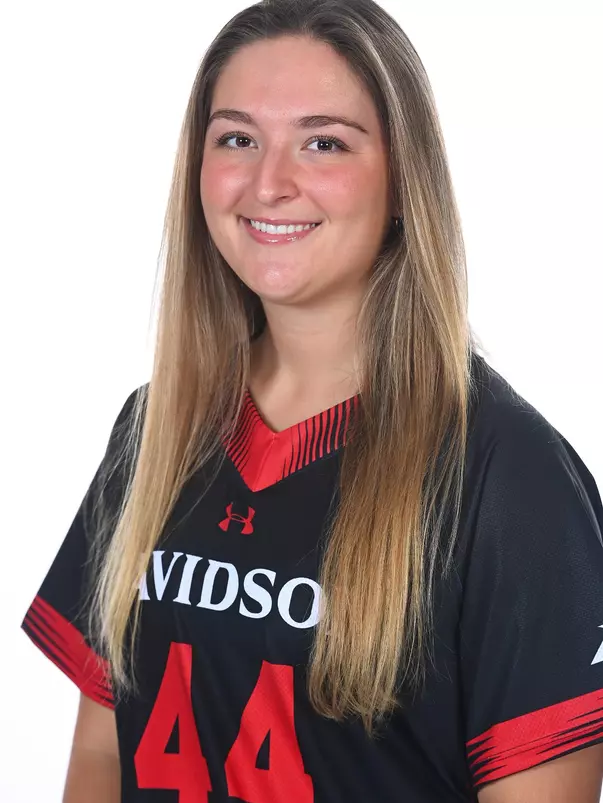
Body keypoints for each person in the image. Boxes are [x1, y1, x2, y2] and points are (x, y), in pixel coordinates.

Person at [21, 0, 603, 801]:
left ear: (404, 181)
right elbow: (102, 757)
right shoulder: (154, 432)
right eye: (236, 139)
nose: (269, 182)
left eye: (322, 142)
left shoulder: (508, 475)